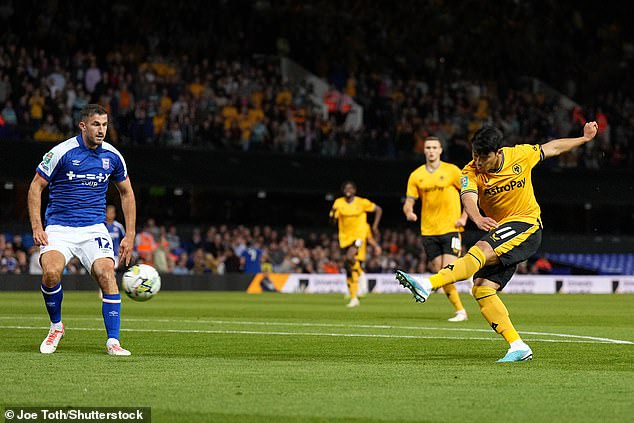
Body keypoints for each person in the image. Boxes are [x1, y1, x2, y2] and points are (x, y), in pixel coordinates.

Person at [395, 122, 599, 362]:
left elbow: (552, 148)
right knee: (481, 288)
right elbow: (468, 197)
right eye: (475, 155)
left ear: (498, 153)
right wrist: (477, 217)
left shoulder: (519, 155)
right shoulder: (470, 171)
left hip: (527, 225)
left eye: (483, 157)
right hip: (503, 231)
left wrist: (583, 139)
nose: (478, 162)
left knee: (480, 249)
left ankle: (428, 284)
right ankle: (518, 345)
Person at [28, 104, 136, 356]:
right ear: (83, 126)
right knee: (51, 274)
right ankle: (56, 327)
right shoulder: (61, 152)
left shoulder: (113, 156)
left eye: (105, 125)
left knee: (107, 275)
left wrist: (130, 234)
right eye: (97, 124)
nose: (102, 130)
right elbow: (35, 187)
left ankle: (113, 341)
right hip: (59, 227)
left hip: (93, 229)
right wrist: (37, 226)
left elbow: (127, 193)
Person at [402, 137, 470, 322]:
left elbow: (468, 193)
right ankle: (462, 305)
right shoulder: (416, 175)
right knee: (440, 273)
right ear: (424, 150)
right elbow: (409, 201)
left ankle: (460, 311)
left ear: (440, 150)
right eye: (428, 148)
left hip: (450, 228)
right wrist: (409, 212)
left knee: (446, 272)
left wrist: (464, 216)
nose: (431, 150)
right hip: (429, 231)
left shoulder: (452, 170)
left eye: (434, 147)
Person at [330, 181, 382, 307]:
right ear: (343, 190)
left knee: (349, 257)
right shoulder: (338, 202)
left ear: (354, 190)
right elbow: (333, 220)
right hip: (344, 238)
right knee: (348, 266)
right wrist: (332, 215)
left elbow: (378, 209)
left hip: (359, 237)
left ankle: (360, 275)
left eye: (351, 188)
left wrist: (375, 226)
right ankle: (354, 296)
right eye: (346, 188)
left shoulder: (362, 202)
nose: (348, 190)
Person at [105, 205, 126, 270]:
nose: (111, 215)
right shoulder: (102, 226)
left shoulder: (119, 226)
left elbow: (124, 240)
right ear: (105, 213)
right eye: (109, 212)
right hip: (104, 254)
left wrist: (122, 254)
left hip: (116, 255)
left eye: (113, 213)